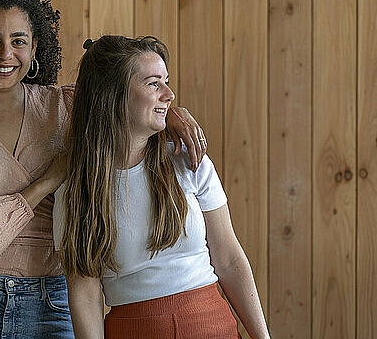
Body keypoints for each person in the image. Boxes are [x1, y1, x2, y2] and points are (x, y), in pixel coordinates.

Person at [0, 0, 209, 339]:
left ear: (34, 50)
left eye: (19, 41)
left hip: (55, 298)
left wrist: (173, 115)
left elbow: (130, 99)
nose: (5, 54)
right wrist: (46, 182)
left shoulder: (66, 105)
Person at [54, 35, 270, 339]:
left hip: (212, 326)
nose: (169, 94)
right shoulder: (75, 192)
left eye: (166, 81)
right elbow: (85, 295)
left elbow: (230, 259)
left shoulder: (189, 162)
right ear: (112, 95)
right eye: (154, 83)